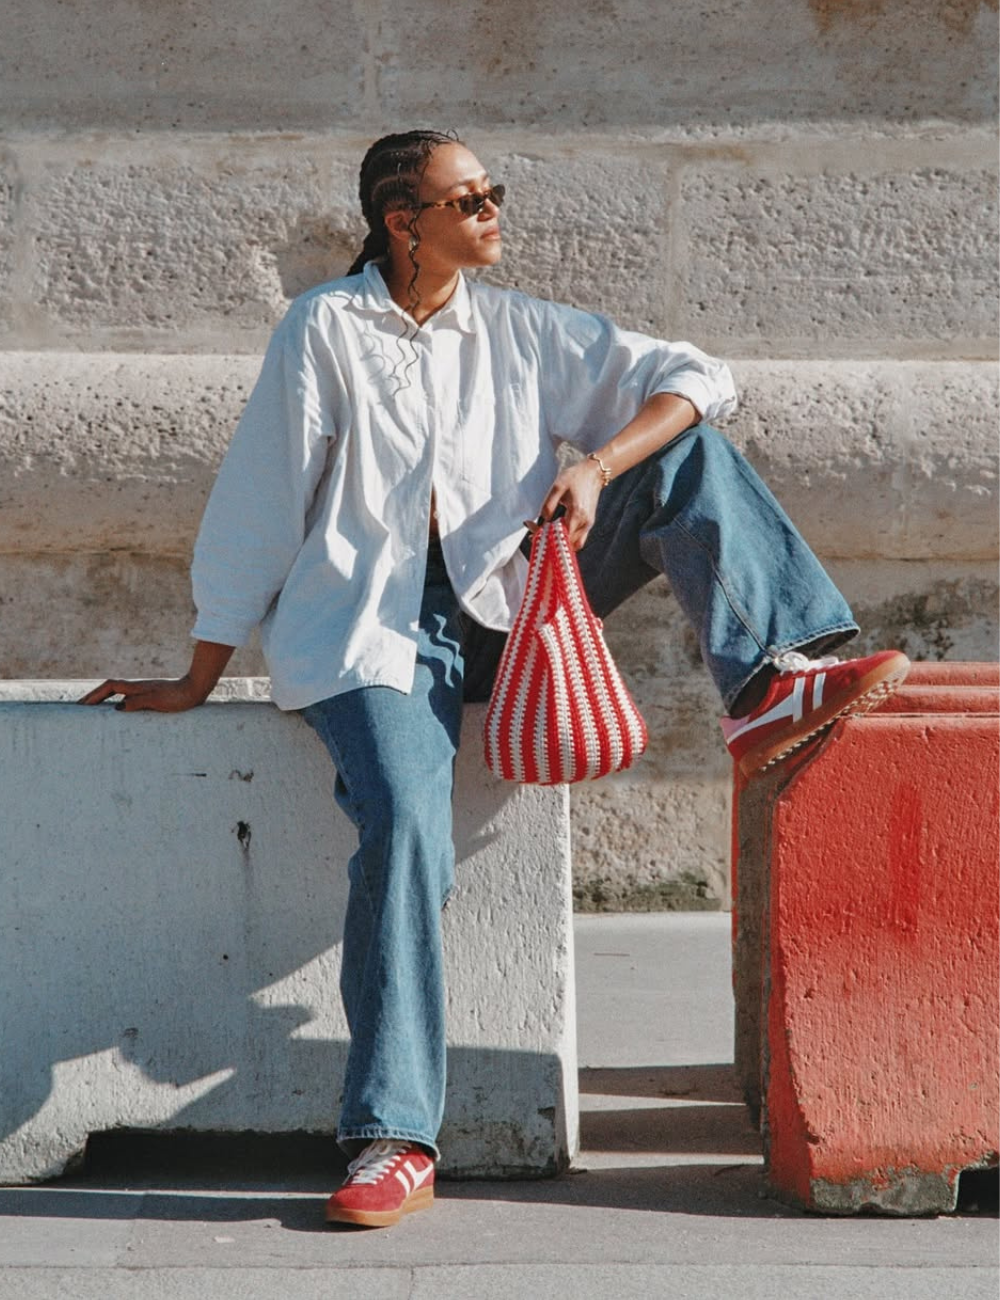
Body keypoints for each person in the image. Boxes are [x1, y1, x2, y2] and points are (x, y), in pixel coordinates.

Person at [80, 129, 909, 1228]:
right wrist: (198, 671)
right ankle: (393, 1135)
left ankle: (767, 680)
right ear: (400, 219)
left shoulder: (519, 330)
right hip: (369, 636)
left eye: (492, 193)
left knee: (683, 451)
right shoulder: (324, 329)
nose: (491, 212)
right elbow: (259, 506)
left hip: (510, 613)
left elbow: (698, 375)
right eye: (467, 198)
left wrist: (592, 464)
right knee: (405, 828)